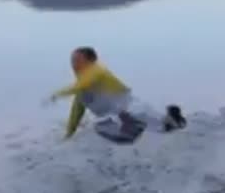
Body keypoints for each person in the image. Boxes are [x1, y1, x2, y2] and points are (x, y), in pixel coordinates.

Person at [47, 47, 187, 144]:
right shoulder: (81, 92)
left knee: (149, 120)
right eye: (72, 61)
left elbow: (84, 82)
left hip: (131, 107)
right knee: (104, 125)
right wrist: (68, 135)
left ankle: (171, 120)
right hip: (120, 118)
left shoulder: (97, 72)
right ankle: (163, 125)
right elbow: (76, 114)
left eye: (78, 60)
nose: (74, 64)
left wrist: (59, 94)